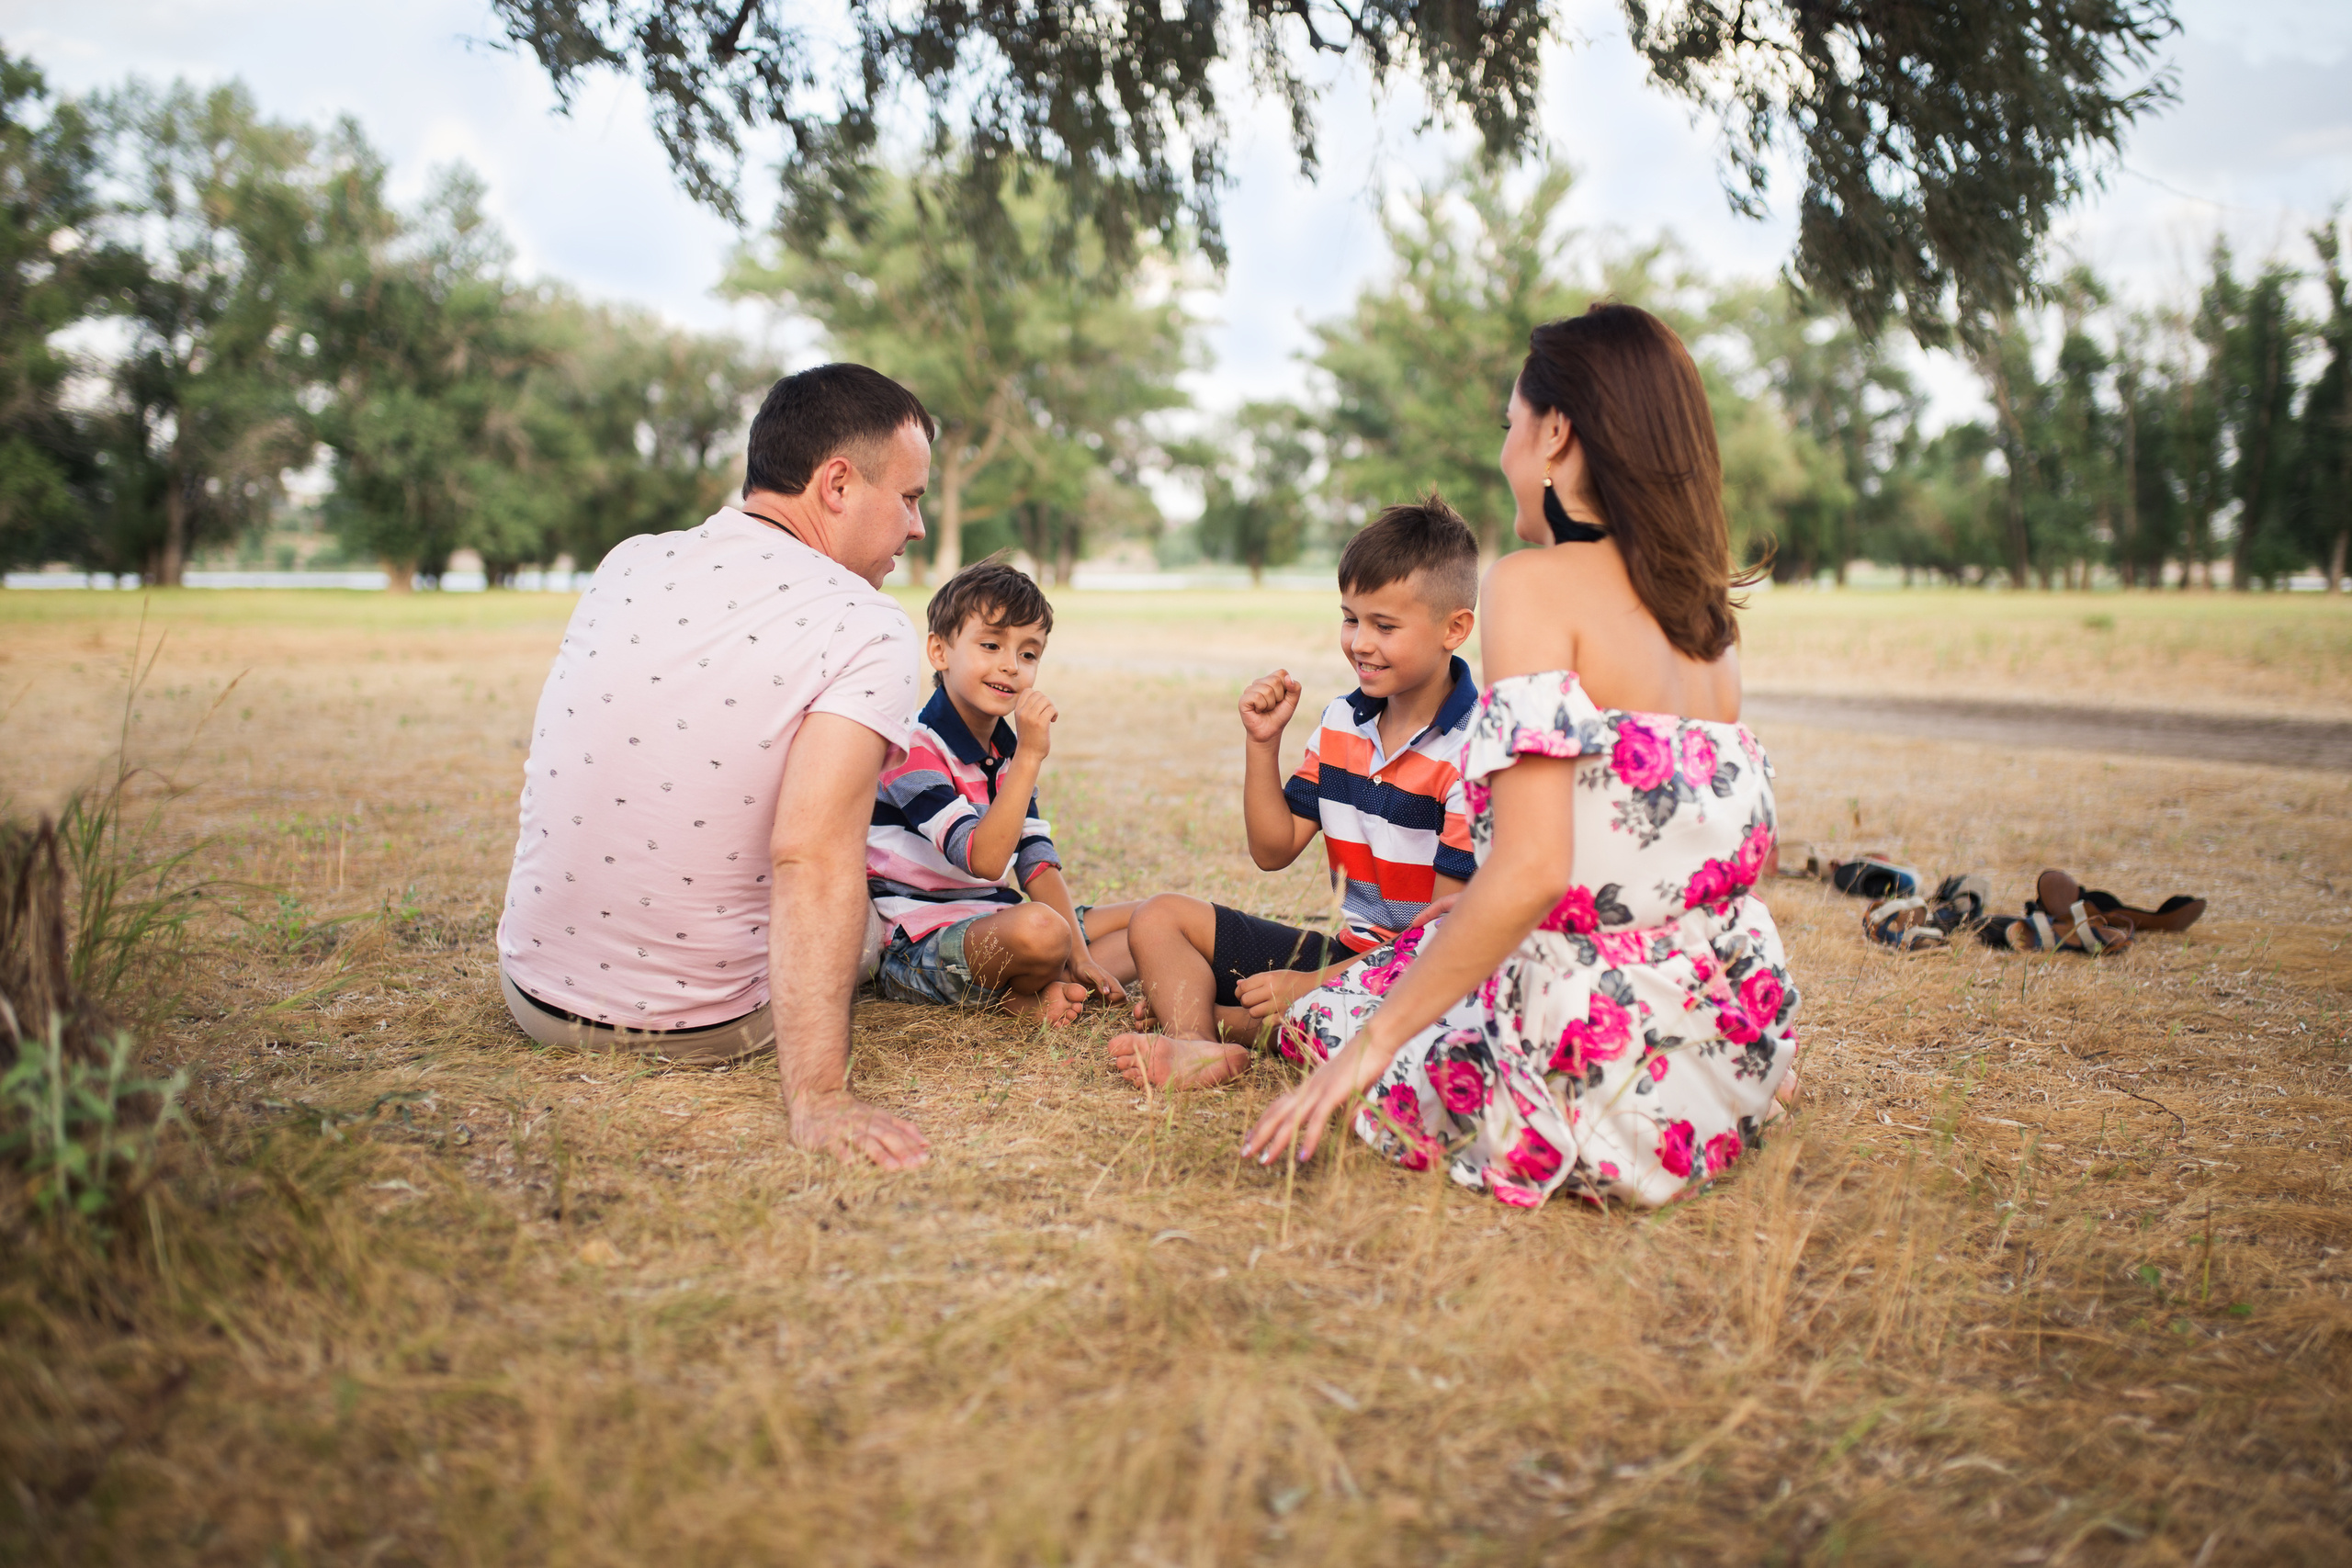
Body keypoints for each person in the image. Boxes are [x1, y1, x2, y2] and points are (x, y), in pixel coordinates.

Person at [1242, 303, 1800, 1209]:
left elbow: (1533, 870)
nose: (1505, 452)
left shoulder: (1533, 586)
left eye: (1509, 425)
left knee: (1330, 1020)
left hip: (1590, 1060)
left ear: (1554, 433)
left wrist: (1370, 1050)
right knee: (1393, 968)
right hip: (1730, 1040)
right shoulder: (1706, 620)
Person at [496, 362, 936, 1171]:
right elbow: (810, 855)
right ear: (837, 483)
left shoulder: (629, 560)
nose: (916, 529)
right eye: (909, 497)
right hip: (699, 1023)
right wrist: (819, 1098)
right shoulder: (866, 624)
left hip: (530, 993)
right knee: (879, 902)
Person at [1108, 498, 1481, 1089]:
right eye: (1350, 618)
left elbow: (1444, 937)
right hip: (1346, 952)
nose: (1360, 642)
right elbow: (1273, 849)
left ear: (1454, 629)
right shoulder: (1341, 723)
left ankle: (1228, 1019)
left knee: (1414, 1024)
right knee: (1159, 918)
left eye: (1385, 626)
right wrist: (1263, 742)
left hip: (1419, 974)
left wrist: (1311, 986)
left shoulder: (1475, 750)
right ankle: (1199, 1043)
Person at [865, 559, 1138, 1021]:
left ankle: (1057, 978)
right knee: (1043, 932)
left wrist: (1084, 957)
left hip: (995, 919)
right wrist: (1031, 757)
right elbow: (985, 859)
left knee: (1149, 921)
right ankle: (1017, 997)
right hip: (921, 945)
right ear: (939, 651)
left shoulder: (1003, 752)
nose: (1011, 666)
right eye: (991, 645)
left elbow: (1033, 858)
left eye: (1028, 654)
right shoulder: (912, 747)